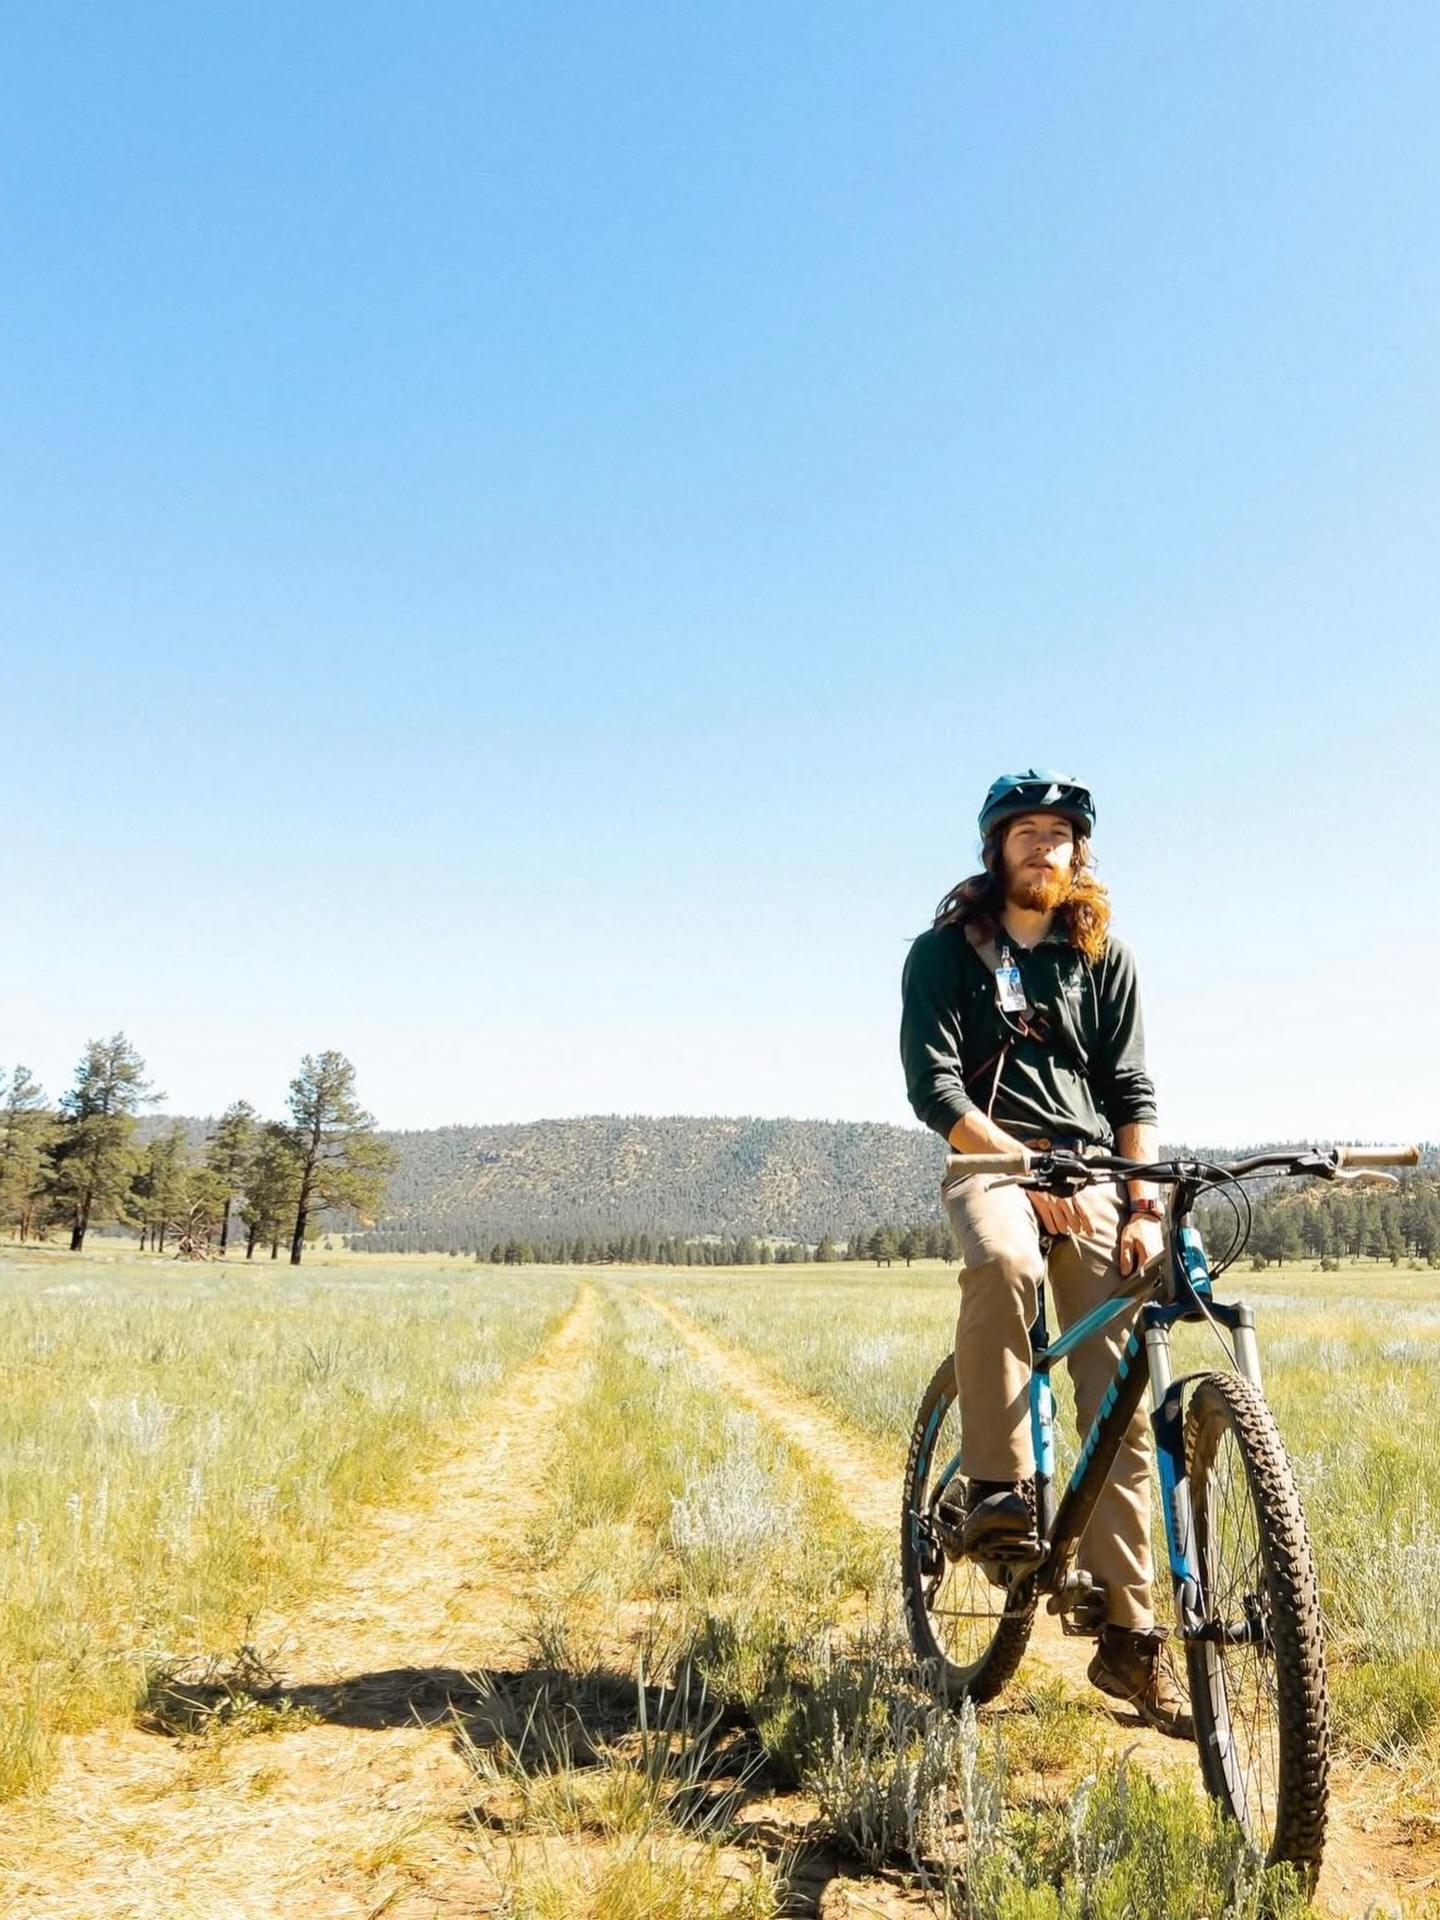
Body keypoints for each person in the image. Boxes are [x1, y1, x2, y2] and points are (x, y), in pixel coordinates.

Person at [899, 769, 1191, 1737]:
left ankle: (1132, 1633)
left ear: (1079, 852)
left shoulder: (1104, 960)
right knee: (1005, 1265)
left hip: (1095, 1175)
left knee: (1124, 1383)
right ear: (997, 848)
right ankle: (995, 1490)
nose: (1042, 845)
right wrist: (1020, 1171)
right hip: (989, 1161)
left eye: (1059, 832)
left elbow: (1133, 1093)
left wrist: (1141, 1203)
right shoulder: (944, 956)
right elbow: (935, 1090)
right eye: (1024, 830)